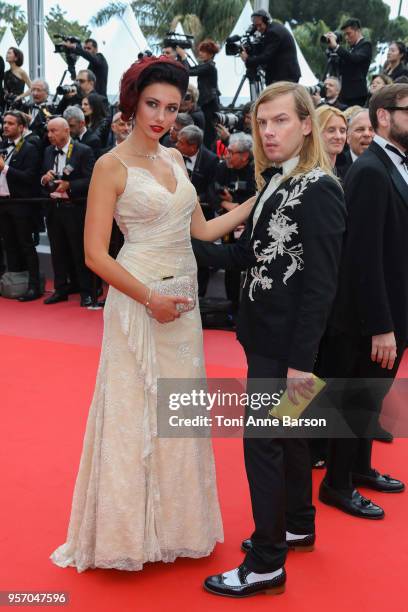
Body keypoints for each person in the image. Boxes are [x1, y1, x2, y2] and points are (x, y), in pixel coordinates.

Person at [50, 55, 257, 573]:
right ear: (132, 103)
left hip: (183, 308)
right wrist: (149, 299)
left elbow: (204, 231)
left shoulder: (177, 161)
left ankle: (179, 526)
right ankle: (127, 536)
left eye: (171, 106)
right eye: (151, 105)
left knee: (179, 414)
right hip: (139, 302)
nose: (162, 117)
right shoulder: (109, 165)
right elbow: (96, 254)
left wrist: (262, 199)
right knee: (135, 412)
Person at [195, 82, 346, 597]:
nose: (268, 131)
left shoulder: (320, 189)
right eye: (262, 123)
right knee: (290, 437)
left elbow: (322, 287)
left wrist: (302, 365)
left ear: (307, 125)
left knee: (263, 444)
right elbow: (247, 257)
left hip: (290, 352)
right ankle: (298, 525)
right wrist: (187, 250)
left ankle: (265, 563)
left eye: (280, 120)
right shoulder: (276, 184)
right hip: (267, 340)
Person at [318, 83, 408, 519]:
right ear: (385, 117)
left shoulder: (392, 166)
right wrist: (381, 325)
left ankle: (360, 468)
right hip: (371, 317)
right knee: (354, 398)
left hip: (395, 308)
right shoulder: (371, 171)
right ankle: (337, 484)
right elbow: (363, 255)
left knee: (369, 400)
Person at [41, 118, 95, 307]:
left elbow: (91, 180)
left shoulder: (83, 150)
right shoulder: (48, 151)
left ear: (66, 130)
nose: (50, 135)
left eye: (53, 131)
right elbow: (44, 179)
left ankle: (87, 292)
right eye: (48, 131)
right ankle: (60, 289)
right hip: (54, 208)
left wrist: (69, 185)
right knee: (58, 252)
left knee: (79, 252)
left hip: (75, 209)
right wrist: (45, 179)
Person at [0, 111, 41, 301]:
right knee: (9, 245)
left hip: (21, 204)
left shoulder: (30, 148)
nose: (5, 126)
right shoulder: (2, 146)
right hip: (3, 203)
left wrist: (5, 168)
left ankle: (33, 286)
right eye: (4, 123)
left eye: (10, 123)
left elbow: (29, 177)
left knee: (26, 245)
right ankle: (14, 283)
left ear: (21, 127)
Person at [176, 39, 220, 150]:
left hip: (209, 104)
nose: (200, 53)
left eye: (203, 51)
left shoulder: (209, 67)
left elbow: (189, 71)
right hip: (207, 102)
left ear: (210, 54)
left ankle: (206, 154)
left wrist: (184, 57)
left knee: (208, 134)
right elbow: (189, 69)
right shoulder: (207, 65)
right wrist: (182, 58)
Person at [241, 9, 301, 86]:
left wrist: (248, 59)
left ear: (267, 21)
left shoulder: (273, 32)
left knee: (276, 98)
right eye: (255, 26)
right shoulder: (274, 28)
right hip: (284, 76)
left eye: (260, 25)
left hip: (284, 77)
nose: (258, 29)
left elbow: (266, 56)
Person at [326, 18, 372, 107]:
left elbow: (354, 59)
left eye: (349, 34)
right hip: (344, 93)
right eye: (345, 35)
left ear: (358, 31)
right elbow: (340, 65)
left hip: (356, 95)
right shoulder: (351, 48)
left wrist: (336, 47)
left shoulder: (366, 45)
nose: (346, 38)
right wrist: (331, 49)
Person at [316, 105, 347, 177]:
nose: (338, 136)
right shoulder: (309, 174)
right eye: (331, 130)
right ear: (316, 133)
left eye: (342, 131)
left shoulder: (346, 170)